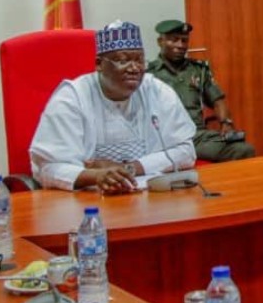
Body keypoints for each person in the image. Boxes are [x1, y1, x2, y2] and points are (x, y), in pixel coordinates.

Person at [29, 21, 196, 193]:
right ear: (99, 64)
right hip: (89, 202)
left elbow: (186, 151)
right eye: (122, 60)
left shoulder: (157, 91)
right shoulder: (72, 98)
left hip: (148, 197)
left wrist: (130, 169)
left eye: (139, 60)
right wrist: (97, 176)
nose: (134, 68)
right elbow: (47, 168)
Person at [147, 19, 255, 162]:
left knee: (243, 149)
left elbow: (217, 99)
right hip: (165, 138)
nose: (180, 45)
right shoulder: (148, 74)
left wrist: (226, 123)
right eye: (174, 40)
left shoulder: (198, 70)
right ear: (160, 41)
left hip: (196, 137)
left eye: (184, 41)